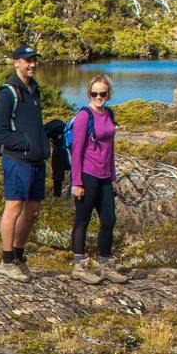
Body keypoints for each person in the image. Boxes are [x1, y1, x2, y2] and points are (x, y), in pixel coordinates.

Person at [0, 45, 48, 282]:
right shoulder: (8, 93)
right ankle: (6, 261)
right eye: (26, 60)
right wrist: (25, 143)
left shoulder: (34, 90)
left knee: (32, 211)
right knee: (13, 208)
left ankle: (18, 255)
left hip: (36, 161)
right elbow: (0, 132)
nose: (31, 64)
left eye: (34, 60)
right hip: (17, 161)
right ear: (16, 62)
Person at [67, 74, 130, 285]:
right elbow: (76, 151)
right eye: (94, 93)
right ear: (89, 93)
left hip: (104, 176)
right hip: (87, 174)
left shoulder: (109, 114)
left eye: (102, 93)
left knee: (109, 220)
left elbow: (110, 149)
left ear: (108, 94)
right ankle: (79, 266)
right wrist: (76, 182)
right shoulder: (85, 115)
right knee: (82, 220)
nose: (98, 97)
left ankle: (105, 266)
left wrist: (113, 176)